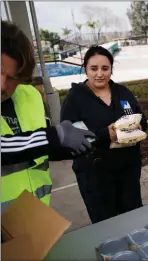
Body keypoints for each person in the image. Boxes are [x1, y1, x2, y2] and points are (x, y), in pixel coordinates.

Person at [1, 20, 95, 210]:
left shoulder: (30, 96)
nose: (2, 85)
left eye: (11, 78)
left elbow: (34, 146)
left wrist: (64, 148)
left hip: (33, 216)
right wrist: (54, 136)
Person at [61, 45, 147, 223]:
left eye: (105, 68)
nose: (99, 74)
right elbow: (70, 138)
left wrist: (136, 126)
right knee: (105, 226)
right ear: (85, 69)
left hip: (128, 171)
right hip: (95, 176)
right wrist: (105, 135)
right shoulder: (75, 98)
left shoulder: (123, 93)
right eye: (94, 68)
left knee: (133, 220)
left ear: (111, 69)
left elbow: (142, 120)